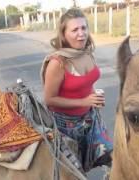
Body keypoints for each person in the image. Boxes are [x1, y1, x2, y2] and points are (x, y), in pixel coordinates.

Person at [40, 8, 113, 172]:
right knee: (73, 171)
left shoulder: (86, 53)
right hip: (65, 125)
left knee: (110, 156)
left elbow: (86, 83)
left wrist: (93, 97)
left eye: (84, 28)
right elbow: (49, 99)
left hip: (90, 118)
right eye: (74, 30)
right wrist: (84, 101)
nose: (81, 33)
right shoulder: (58, 62)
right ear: (64, 34)